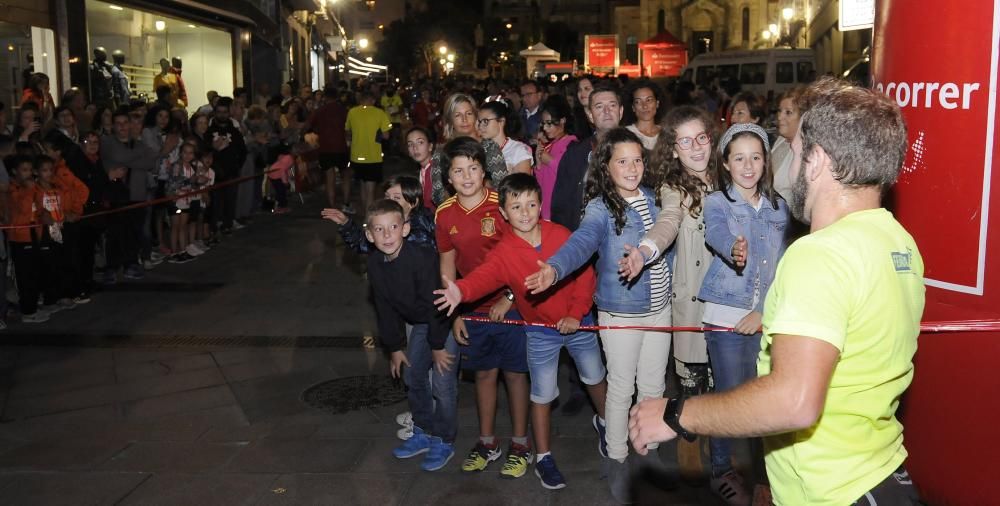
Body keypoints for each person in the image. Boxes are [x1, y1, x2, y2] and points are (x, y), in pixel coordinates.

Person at [629, 78, 924, 506]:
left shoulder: (819, 255)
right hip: (880, 472)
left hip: (829, 491)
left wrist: (677, 414)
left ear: (819, 160)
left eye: (799, 153)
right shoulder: (901, 243)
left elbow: (796, 401)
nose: (791, 166)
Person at [526, 128, 673, 504]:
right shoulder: (600, 208)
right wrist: (555, 269)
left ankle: (648, 458)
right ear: (605, 167)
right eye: (622, 161)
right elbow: (582, 242)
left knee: (654, 389)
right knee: (621, 390)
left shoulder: (655, 199)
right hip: (621, 312)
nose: (632, 167)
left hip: (661, 309)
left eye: (637, 159)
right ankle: (619, 461)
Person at [435, 173, 608, 491]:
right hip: (540, 330)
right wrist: (460, 292)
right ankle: (543, 457)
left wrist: (575, 313)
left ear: (541, 205)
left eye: (531, 204)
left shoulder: (560, 234)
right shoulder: (504, 251)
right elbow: (484, 277)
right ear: (503, 213)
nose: (525, 212)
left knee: (594, 376)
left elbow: (584, 274)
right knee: (541, 394)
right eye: (516, 206)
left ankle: (608, 425)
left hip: (577, 320)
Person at [696, 123, 790, 504]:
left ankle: (762, 473)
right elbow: (715, 233)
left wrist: (764, 311)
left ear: (766, 161)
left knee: (763, 397)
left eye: (755, 157)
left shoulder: (780, 206)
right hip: (725, 313)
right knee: (730, 394)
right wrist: (733, 248)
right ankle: (720, 467)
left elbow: (784, 265)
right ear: (726, 163)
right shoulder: (717, 202)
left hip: (766, 314)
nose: (748, 166)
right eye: (739, 158)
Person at [434, 137, 532, 479]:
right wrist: (455, 312)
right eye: (458, 171)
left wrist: (509, 296)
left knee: (516, 374)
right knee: (484, 375)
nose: (467, 176)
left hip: (512, 304)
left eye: (473, 168)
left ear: (483, 170)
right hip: (472, 308)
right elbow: (447, 263)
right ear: (448, 177)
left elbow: (522, 248)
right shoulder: (444, 213)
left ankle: (520, 444)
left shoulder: (500, 204)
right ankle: (487, 442)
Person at [619, 105, 718, 403]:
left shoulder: (730, 178)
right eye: (685, 141)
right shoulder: (673, 187)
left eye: (701, 138)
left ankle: (720, 452)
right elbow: (669, 221)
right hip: (694, 304)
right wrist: (645, 251)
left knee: (726, 400)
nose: (696, 148)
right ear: (674, 150)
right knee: (692, 402)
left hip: (731, 304)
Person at [363, 199, 458, 471]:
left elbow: (435, 304)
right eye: (379, 230)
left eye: (393, 227)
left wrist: (438, 345)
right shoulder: (375, 264)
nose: (387, 235)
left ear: (405, 229)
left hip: (443, 319)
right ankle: (424, 431)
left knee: (442, 383)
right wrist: (394, 347)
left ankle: (444, 439)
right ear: (369, 235)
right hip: (420, 322)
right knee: (413, 375)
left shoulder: (422, 258)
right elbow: (384, 307)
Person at [550, 80, 623, 231]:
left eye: (612, 105)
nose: (606, 111)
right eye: (599, 107)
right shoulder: (575, 154)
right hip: (585, 238)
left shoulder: (638, 151)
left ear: (621, 111)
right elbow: (560, 206)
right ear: (590, 115)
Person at [427, 93, 506, 207]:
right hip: (454, 214)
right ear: (450, 120)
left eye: (469, 113)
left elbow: (502, 188)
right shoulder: (441, 152)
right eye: (458, 115)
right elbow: (437, 193)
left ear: (475, 116)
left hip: (489, 210)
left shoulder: (489, 147)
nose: (464, 119)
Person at [322, 175, 434, 253]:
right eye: (387, 196)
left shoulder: (418, 234)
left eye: (396, 198)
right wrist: (345, 223)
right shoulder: (395, 223)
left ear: (413, 203)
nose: (389, 201)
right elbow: (366, 243)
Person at [7, 155, 50, 322]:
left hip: (34, 234)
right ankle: (28, 312)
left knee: (35, 272)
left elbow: (38, 207)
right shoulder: (12, 189)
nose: (29, 174)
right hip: (20, 237)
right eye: (24, 170)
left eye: (30, 170)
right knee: (25, 276)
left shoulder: (32, 188)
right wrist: (31, 189)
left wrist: (44, 214)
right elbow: (23, 210)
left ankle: (33, 305)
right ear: (14, 171)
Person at [345, 91, 391, 213]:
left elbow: (348, 131)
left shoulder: (352, 112)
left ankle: (365, 213)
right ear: (373, 101)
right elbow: (386, 135)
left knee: (362, 185)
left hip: (357, 156)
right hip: (373, 156)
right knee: (371, 189)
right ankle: (368, 218)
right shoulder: (379, 113)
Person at [206, 97, 247, 234]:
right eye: (219, 112)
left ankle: (229, 223)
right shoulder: (209, 131)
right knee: (216, 201)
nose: (222, 115)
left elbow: (242, 150)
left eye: (224, 112)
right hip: (215, 174)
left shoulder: (234, 132)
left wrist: (237, 165)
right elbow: (205, 151)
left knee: (230, 199)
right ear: (215, 113)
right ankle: (216, 224)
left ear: (228, 113)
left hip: (232, 172)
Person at [534, 96, 577, 220]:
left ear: (562, 120)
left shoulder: (572, 144)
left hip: (562, 210)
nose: (545, 128)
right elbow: (541, 183)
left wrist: (550, 161)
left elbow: (570, 176)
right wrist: (538, 164)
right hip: (546, 208)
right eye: (543, 124)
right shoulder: (550, 145)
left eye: (549, 124)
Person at [304, 87, 348, 208]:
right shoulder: (342, 110)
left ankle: (332, 204)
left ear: (325, 97)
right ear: (336, 97)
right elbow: (348, 127)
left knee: (329, 176)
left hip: (325, 147)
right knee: (345, 175)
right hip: (341, 146)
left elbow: (307, 125)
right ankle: (346, 202)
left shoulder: (319, 110)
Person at [477, 100, 532, 176]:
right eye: (479, 122)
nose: (480, 126)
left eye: (485, 121)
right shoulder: (479, 149)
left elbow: (523, 186)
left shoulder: (518, 150)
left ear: (501, 121)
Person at [772, 86, 806, 202]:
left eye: (788, 112)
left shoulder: (807, 153)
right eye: (779, 111)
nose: (780, 117)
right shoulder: (781, 140)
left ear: (803, 117)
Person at [624, 79, 666, 151]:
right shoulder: (625, 134)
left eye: (649, 100)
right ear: (633, 107)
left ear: (657, 104)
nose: (644, 106)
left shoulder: (666, 133)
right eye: (638, 102)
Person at [405, 126, 436, 212]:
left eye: (420, 142)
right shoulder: (422, 171)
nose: (415, 148)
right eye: (410, 144)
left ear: (430, 146)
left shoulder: (437, 170)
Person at [265, 142, 294, 214]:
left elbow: (285, 169)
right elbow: (283, 170)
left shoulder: (282, 156)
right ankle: (281, 207)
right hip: (277, 176)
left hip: (273, 174)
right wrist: (285, 182)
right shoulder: (289, 158)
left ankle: (278, 207)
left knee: (279, 191)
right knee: (281, 192)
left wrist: (288, 177)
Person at [519, 80, 545, 144]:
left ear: (539, 95)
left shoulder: (546, 115)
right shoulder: (518, 115)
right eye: (522, 95)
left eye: (529, 94)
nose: (524, 99)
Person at [572, 76, 596, 140]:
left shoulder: (604, 113)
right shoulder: (573, 117)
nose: (582, 93)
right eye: (580, 90)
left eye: (587, 89)